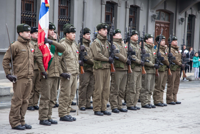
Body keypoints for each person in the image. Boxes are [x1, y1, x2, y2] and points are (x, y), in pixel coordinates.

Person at [3, 23, 46, 130]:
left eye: (29, 32)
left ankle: (22, 120)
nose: (29, 34)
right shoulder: (15, 45)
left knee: (25, 101)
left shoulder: (30, 45)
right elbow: (6, 60)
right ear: (20, 33)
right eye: (26, 32)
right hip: (20, 77)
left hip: (29, 77)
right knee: (17, 100)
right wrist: (8, 74)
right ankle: (15, 122)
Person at [39, 22, 65, 126]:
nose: (52, 32)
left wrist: (52, 41)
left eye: (53, 30)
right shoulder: (42, 43)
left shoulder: (53, 43)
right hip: (48, 73)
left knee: (53, 97)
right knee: (46, 97)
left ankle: (49, 116)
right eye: (50, 30)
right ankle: (43, 117)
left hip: (56, 74)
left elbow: (63, 49)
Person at [90, 23, 113, 116]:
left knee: (106, 89)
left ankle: (103, 107)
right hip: (99, 68)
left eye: (106, 29)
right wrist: (108, 59)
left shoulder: (107, 42)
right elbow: (97, 55)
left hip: (107, 68)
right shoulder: (96, 42)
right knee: (98, 89)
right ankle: (97, 108)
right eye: (103, 29)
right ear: (99, 31)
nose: (106, 31)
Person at [58, 24, 79, 122]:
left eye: (74, 33)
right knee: (65, 94)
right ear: (66, 34)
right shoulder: (62, 44)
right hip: (67, 74)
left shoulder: (74, 44)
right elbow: (58, 60)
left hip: (74, 73)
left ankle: (67, 112)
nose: (74, 35)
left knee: (71, 95)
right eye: (71, 33)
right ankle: (63, 114)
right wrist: (62, 72)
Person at [109, 29, 128, 113]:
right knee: (115, 88)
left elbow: (126, 52)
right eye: (117, 34)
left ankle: (119, 105)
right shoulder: (113, 44)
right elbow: (116, 53)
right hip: (118, 68)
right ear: (113, 36)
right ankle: (114, 106)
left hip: (124, 68)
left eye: (120, 33)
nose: (120, 34)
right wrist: (125, 59)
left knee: (122, 89)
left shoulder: (122, 43)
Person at [27, 27, 46, 111]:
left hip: (39, 68)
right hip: (33, 67)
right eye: (35, 33)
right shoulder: (30, 43)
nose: (37, 35)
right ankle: (30, 103)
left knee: (37, 87)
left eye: (38, 34)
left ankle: (35, 103)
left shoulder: (39, 43)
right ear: (31, 34)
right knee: (31, 87)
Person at [125, 30, 143, 111]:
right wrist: (140, 61)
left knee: (138, 87)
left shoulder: (137, 46)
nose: (137, 36)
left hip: (139, 69)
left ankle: (134, 103)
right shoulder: (129, 45)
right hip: (133, 68)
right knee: (132, 87)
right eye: (135, 35)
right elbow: (132, 57)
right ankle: (130, 104)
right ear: (131, 37)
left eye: (137, 35)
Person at [140, 34, 158, 109]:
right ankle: (144, 102)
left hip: (153, 70)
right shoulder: (144, 48)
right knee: (145, 87)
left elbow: (154, 58)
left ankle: (148, 101)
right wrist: (153, 65)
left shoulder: (153, 48)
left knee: (151, 88)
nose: (152, 39)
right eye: (150, 38)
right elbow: (145, 60)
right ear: (146, 40)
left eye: (152, 37)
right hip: (147, 70)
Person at [78, 27, 94, 111]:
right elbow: (84, 57)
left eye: (89, 34)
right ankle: (82, 104)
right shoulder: (81, 45)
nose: (89, 36)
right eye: (87, 34)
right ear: (83, 35)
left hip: (91, 68)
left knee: (90, 86)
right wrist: (94, 62)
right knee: (83, 86)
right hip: (85, 68)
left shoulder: (89, 44)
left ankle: (88, 103)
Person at [167, 36, 184, 105]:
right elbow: (174, 59)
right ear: (170, 42)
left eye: (176, 40)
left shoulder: (177, 49)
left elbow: (179, 58)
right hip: (173, 68)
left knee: (176, 84)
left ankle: (174, 98)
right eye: (174, 41)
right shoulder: (170, 49)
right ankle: (169, 99)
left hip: (178, 69)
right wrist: (180, 64)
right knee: (171, 84)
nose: (176, 42)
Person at [153, 35, 169, 107]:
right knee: (158, 86)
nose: (163, 41)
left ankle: (161, 100)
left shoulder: (164, 49)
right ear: (157, 42)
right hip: (160, 69)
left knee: (162, 86)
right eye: (162, 40)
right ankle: (157, 100)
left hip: (164, 69)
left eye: (164, 40)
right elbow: (164, 59)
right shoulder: (157, 49)